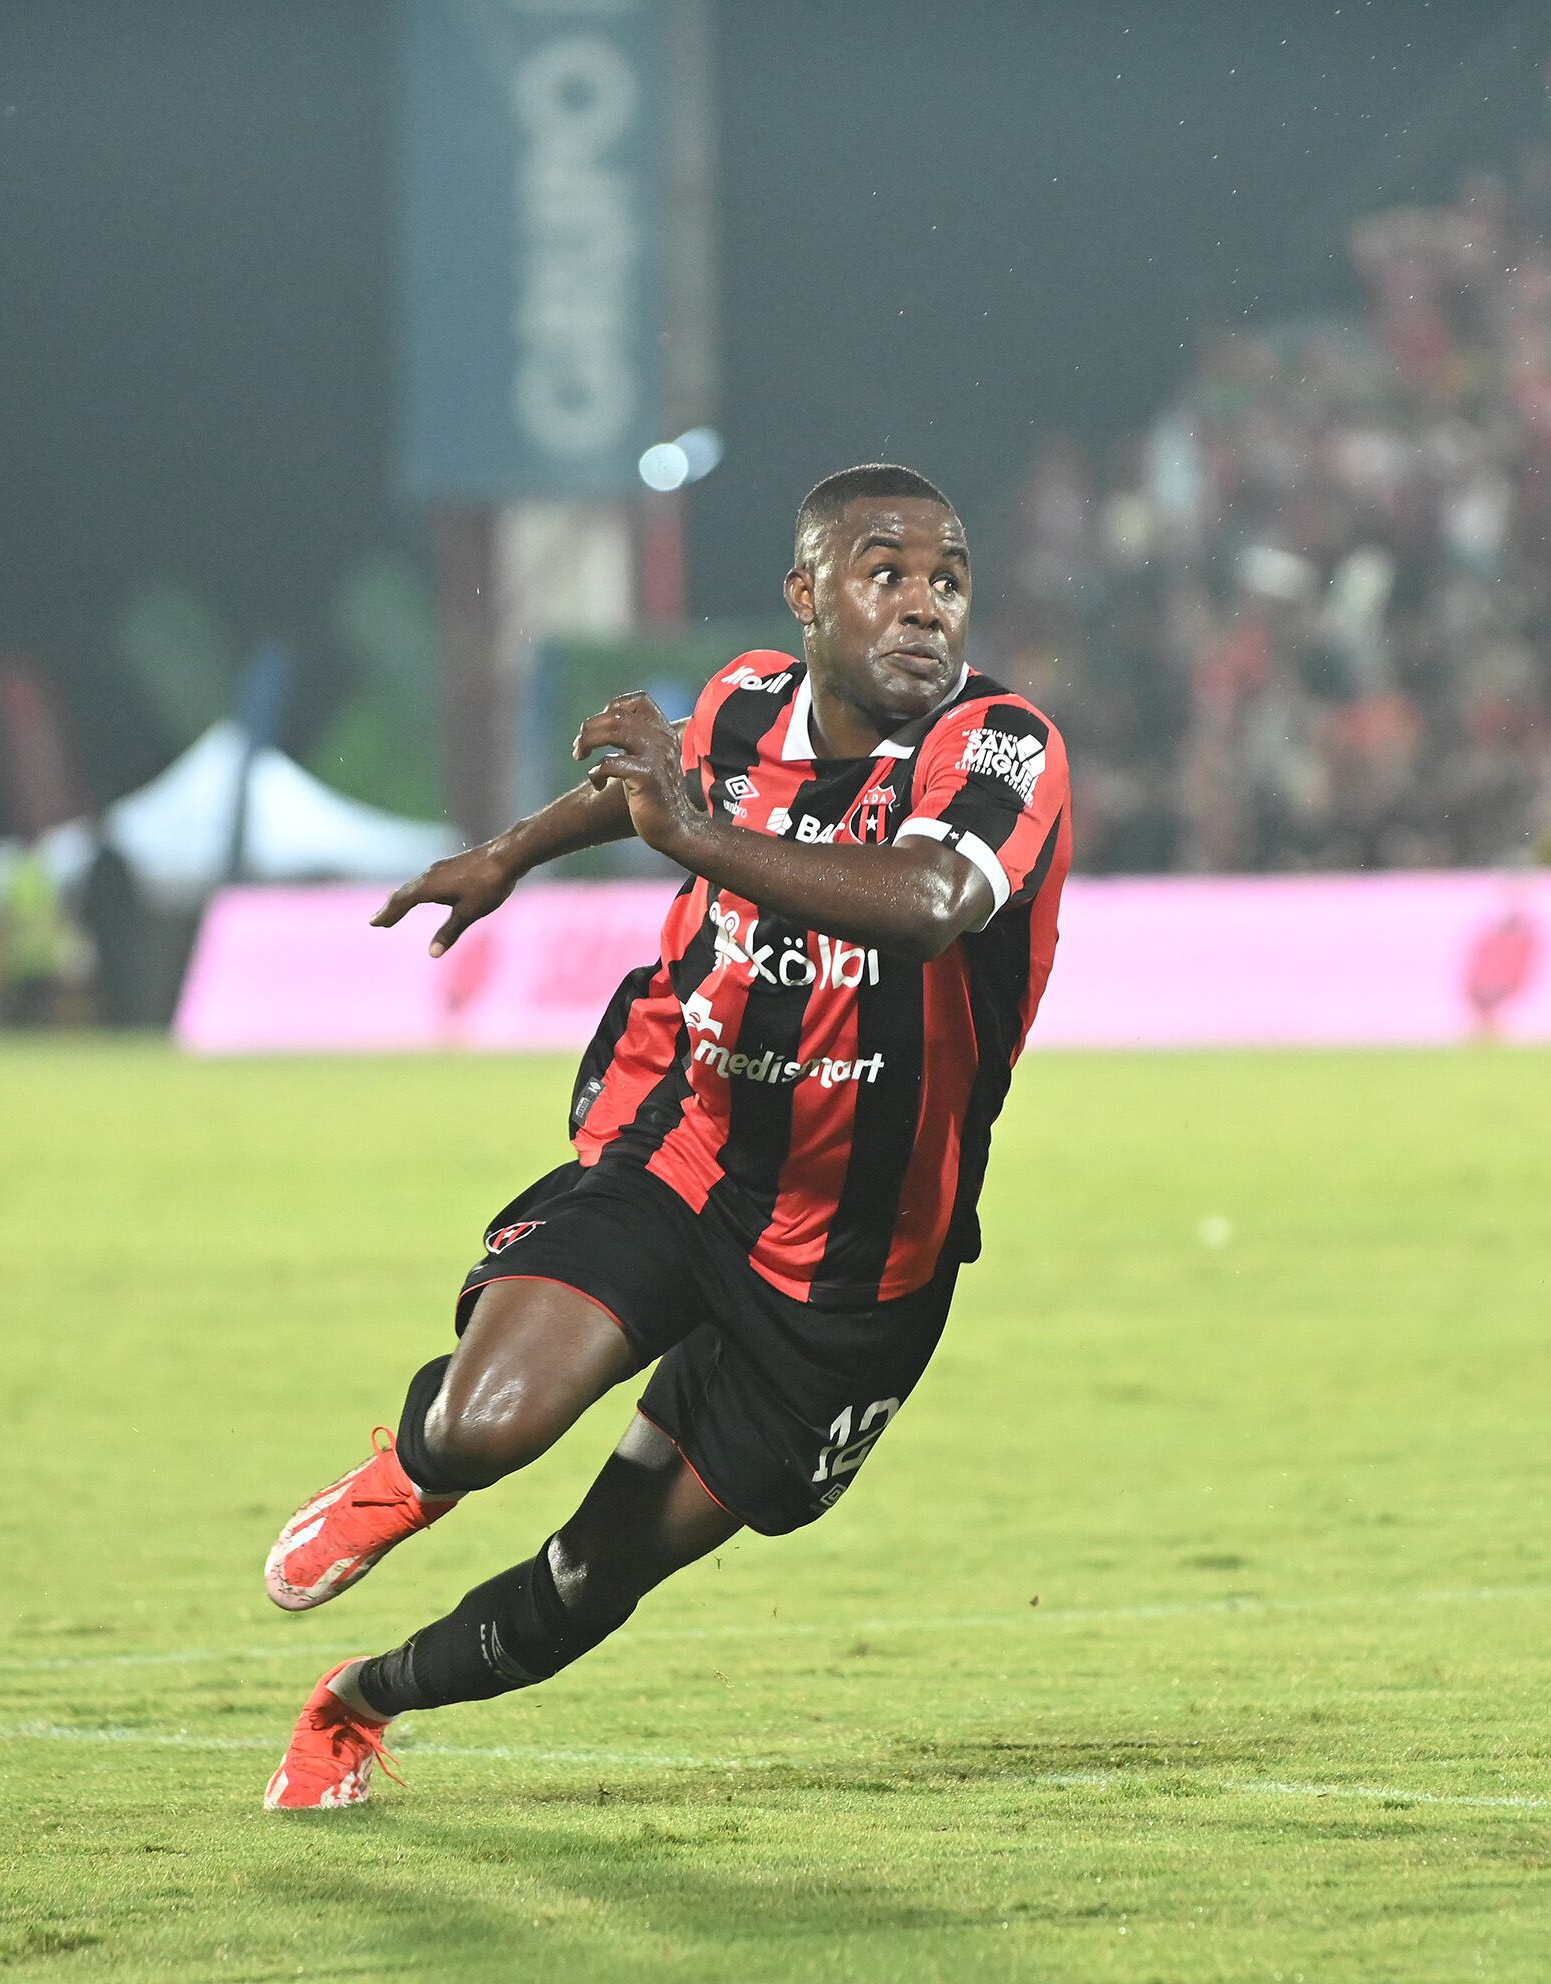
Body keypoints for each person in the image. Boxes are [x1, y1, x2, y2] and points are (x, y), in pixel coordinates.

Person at [260, 465, 1071, 1809]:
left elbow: (931, 900)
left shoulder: (1000, 748)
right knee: (487, 1425)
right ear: (807, 597)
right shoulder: (749, 702)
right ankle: (412, 1467)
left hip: (858, 1262)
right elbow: (652, 781)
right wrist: (511, 852)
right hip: (688, 1148)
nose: (926, 605)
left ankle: (358, 1701)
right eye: (886, 574)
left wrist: (690, 833)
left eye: (949, 578)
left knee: (592, 1576)